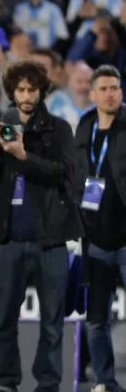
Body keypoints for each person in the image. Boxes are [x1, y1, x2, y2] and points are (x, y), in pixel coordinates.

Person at [0, 60, 83, 392]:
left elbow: (63, 173)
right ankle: (5, 383)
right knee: (2, 322)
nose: (26, 96)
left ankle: (48, 385)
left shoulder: (59, 129)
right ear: (12, 92)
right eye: (20, 90)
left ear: (41, 91)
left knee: (52, 323)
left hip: (49, 239)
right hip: (8, 239)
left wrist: (24, 155)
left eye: (32, 89)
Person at [73, 65, 126, 392]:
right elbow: (80, 175)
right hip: (95, 237)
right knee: (96, 319)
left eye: (115, 88)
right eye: (104, 88)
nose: (110, 93)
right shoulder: (85, 126)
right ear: (92, 94)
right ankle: (106, 381)